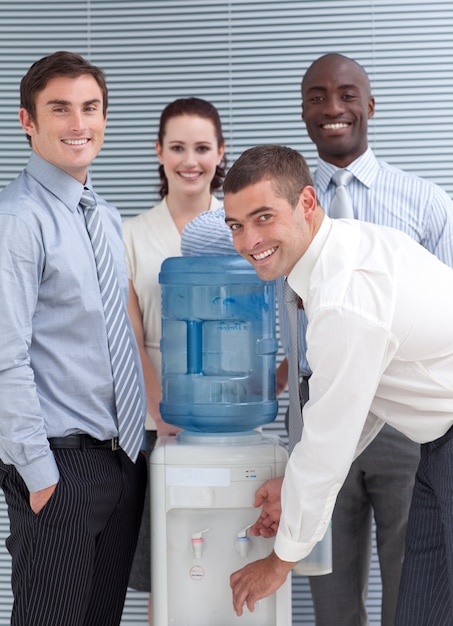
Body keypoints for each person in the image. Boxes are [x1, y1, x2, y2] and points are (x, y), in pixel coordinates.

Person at [224, 143, 453, 626]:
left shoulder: (343, 297)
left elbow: (328, 441)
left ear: (307, 203)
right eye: (236, 225)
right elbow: (357, 404)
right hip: (438, 449)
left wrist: (280, 561)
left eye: (264, 217)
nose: (249, 241)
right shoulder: (343, 248)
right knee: (423, 612)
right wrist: (293, 484)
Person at [0, 51, 147, 626]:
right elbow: (4, 358)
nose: (78, 123)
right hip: (59, 469)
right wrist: (40, 477)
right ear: (27, 121)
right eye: (59, 109)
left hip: (118, 462)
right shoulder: (17, 221)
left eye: (90, 108)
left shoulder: (106, 218)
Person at [122, 97, 226, 623]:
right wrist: (161, 411)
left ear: (220, 153)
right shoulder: (132, 234)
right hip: (152, 423)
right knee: (162, 566)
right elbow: (132, 335)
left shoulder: (238, 230)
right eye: (178, 147)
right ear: (159, 152)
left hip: (224, 421)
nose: (191, 160)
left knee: (224, 553)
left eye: (202, 147)